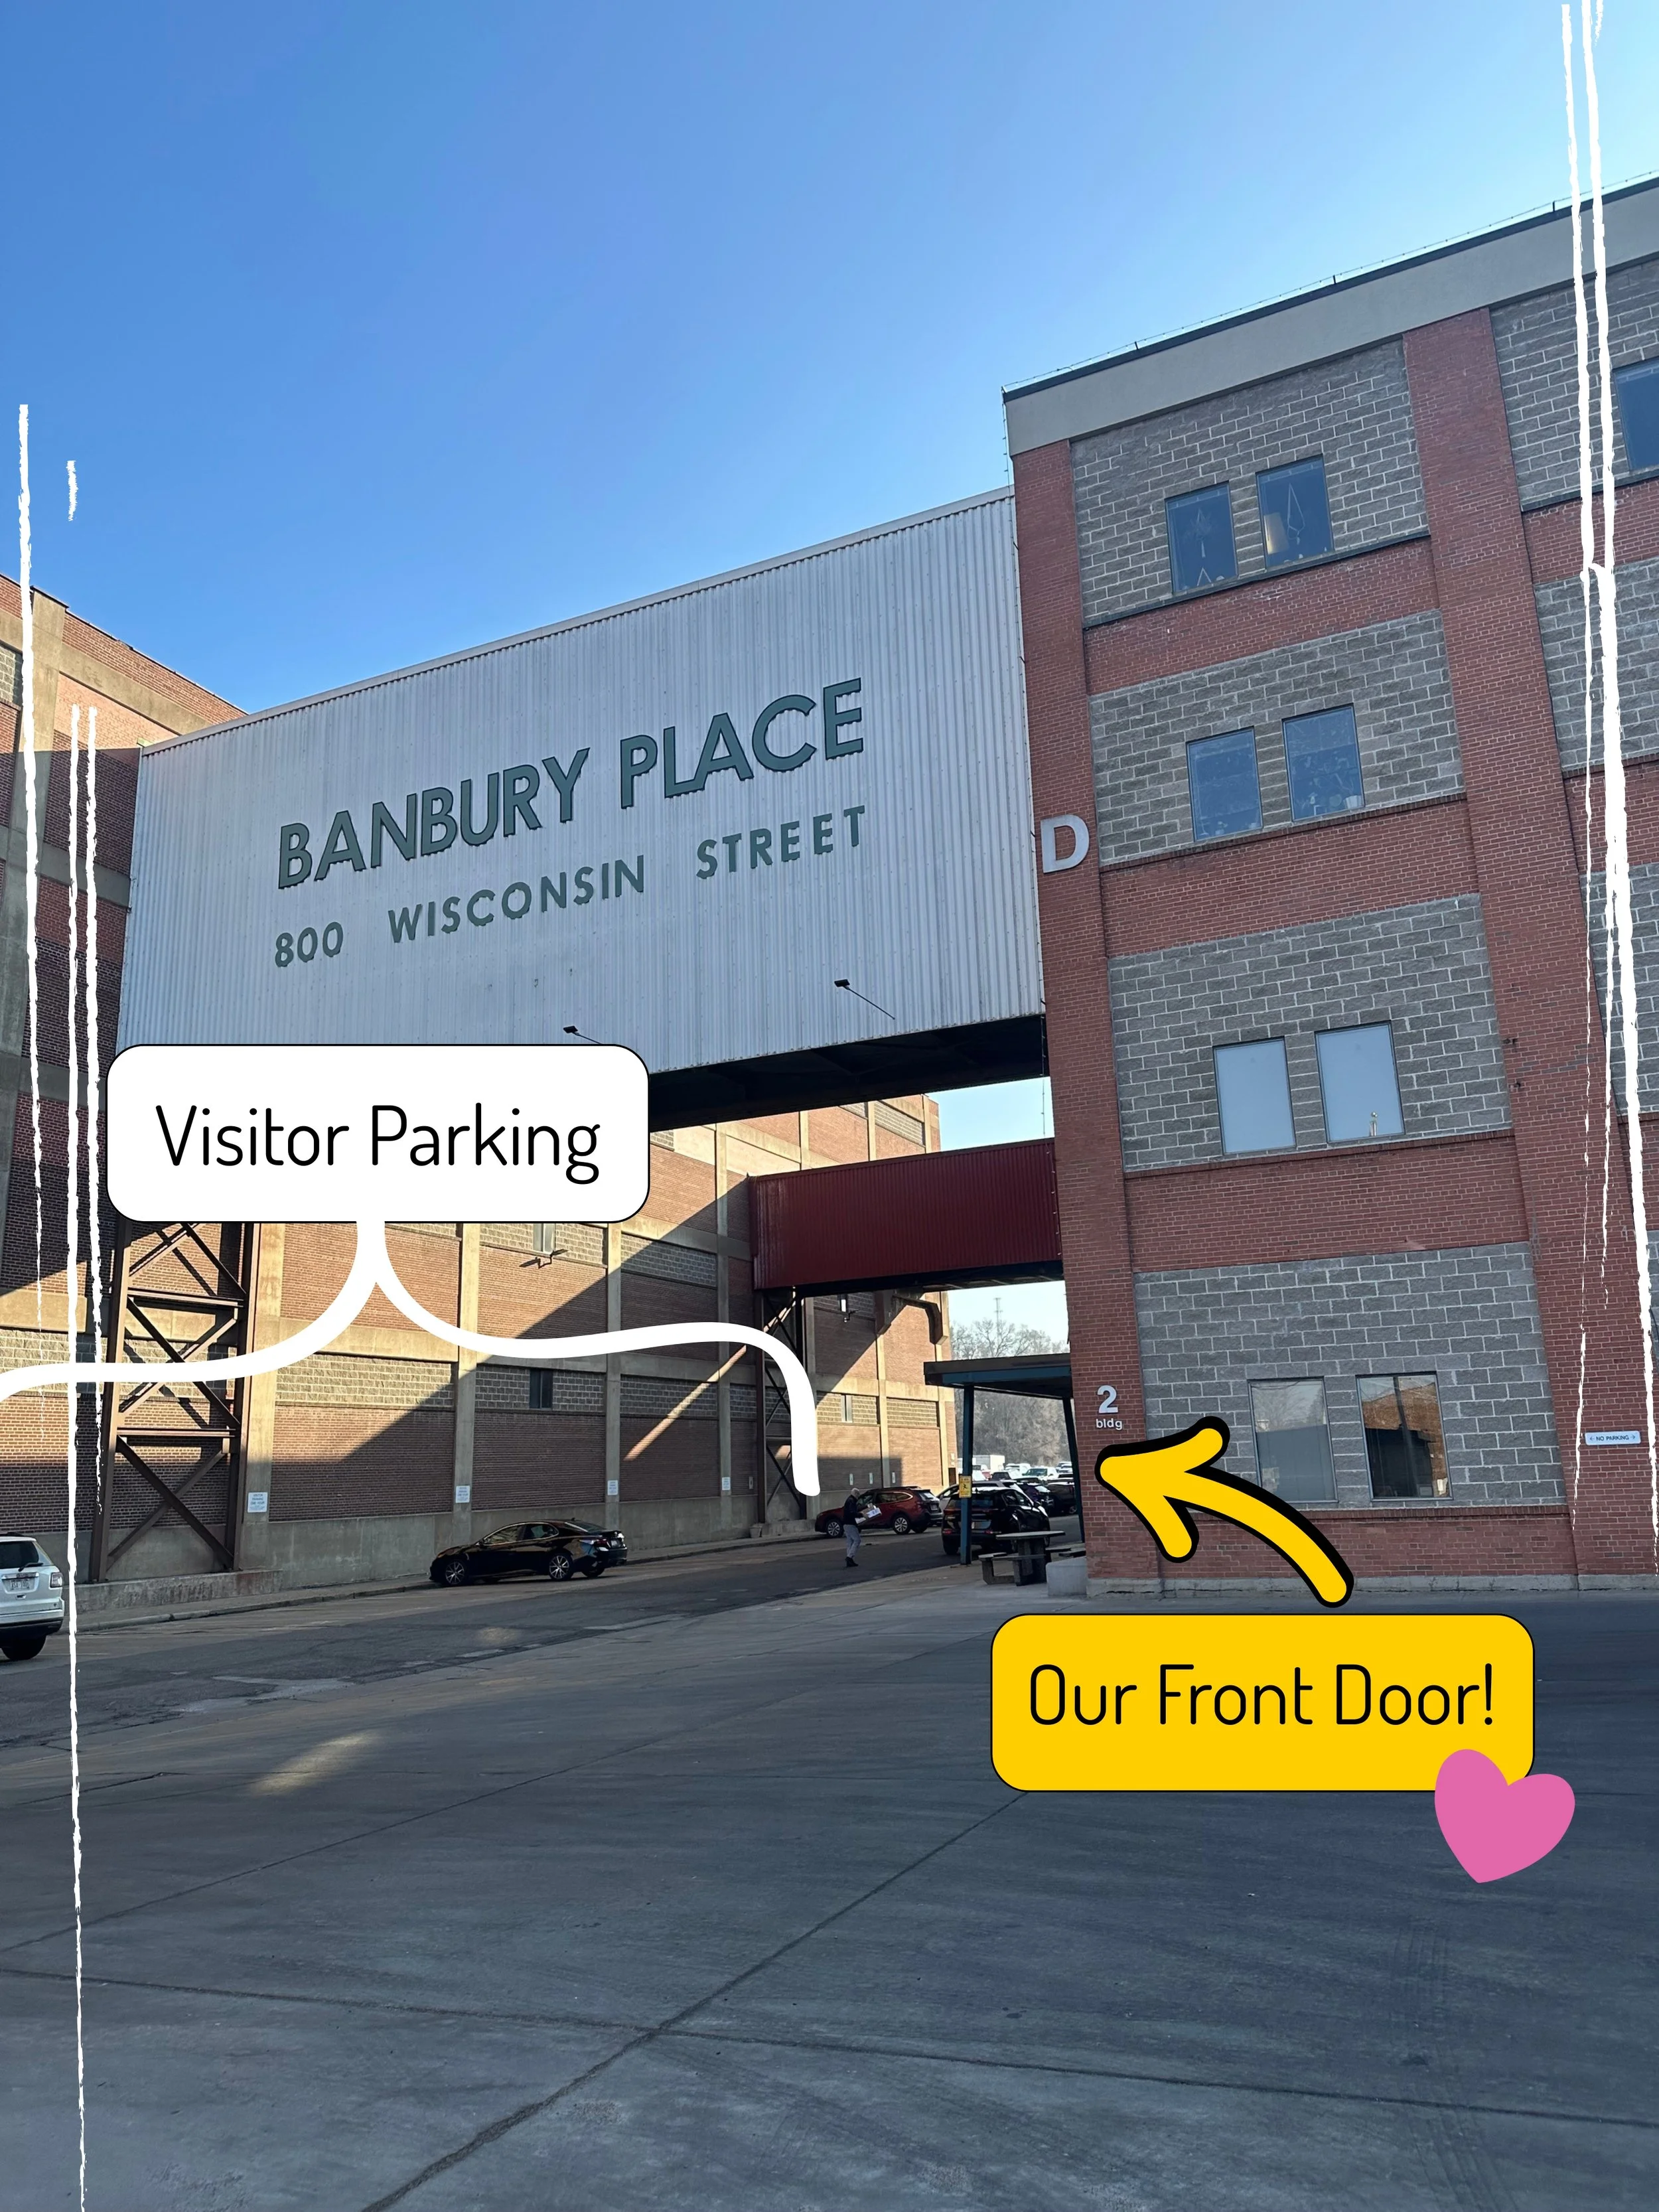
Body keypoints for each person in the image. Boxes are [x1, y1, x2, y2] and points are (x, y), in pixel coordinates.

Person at [842, 1491, 865, 1568]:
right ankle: (849, 1557)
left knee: (850, 1541)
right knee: (857, 1540)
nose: (858, 1496)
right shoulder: (852, 1501)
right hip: (850, 1523)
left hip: (846, 1523)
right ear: (855, 1494)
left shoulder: (849, 1500)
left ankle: (850, 1559)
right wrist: (860, 1515)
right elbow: (852, 1512)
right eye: (858, 1494)